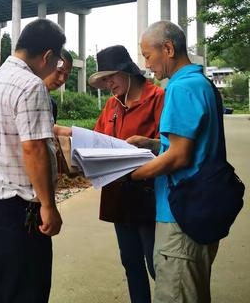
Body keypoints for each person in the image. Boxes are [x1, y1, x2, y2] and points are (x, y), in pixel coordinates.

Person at [0, 18, 66, 303]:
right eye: (57, 63)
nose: (55, 71)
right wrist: (48, 206)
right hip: (21, 213)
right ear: (47, 56)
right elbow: (35, 149)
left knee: (1, 290)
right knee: (29, 291)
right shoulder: (31, 86)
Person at [131, 21, 220, 303]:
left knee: (176, 292)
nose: (146, 64)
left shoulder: (180, 88)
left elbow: (180, 156)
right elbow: (193, 146)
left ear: (167, 48)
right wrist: (153, 145)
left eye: (147, 55)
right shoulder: (201, 83)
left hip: (180, 216)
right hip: (201, 209)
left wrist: (131, 173)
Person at [88, 45, 164, 303]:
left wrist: (150, 143)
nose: (108, 83)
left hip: (150, 194)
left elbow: (173, 145)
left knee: (158, 265)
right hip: (118, 194)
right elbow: (97, 140)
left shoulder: (158, 97)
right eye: (104, 79)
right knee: (130, 261)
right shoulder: (112, 105)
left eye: (111, 77)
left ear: (128, 72)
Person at [43, 48, 73, 122]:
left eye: (66, 75)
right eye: (59, 71)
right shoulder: (25, 95)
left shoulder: (52, 105)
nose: (62, 79)